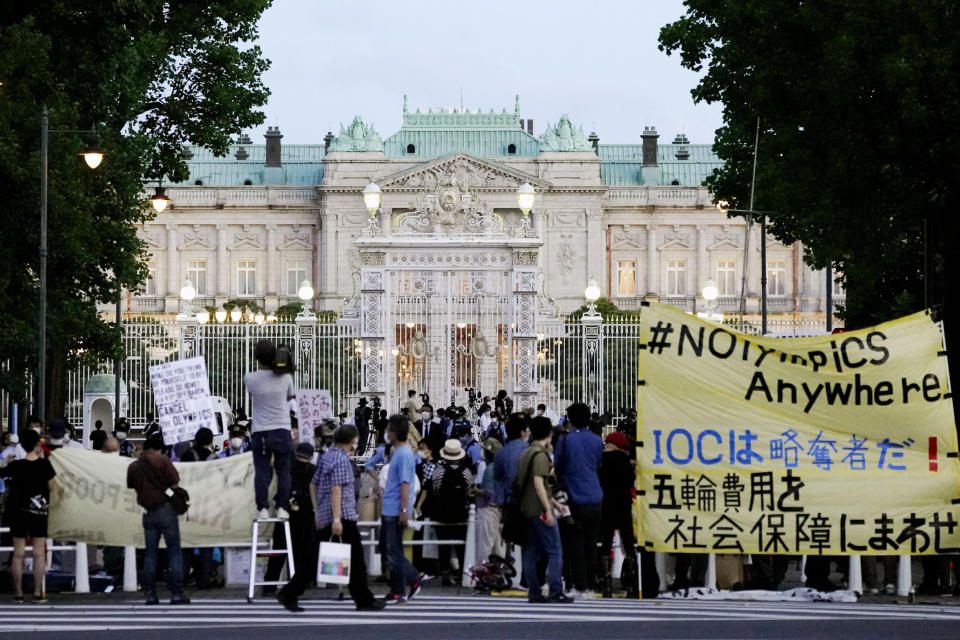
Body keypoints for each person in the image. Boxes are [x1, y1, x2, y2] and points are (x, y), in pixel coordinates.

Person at [279, 427, 385, 611]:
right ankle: (363, 599)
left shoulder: (327, 456)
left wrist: (317, 510)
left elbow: (314, 483)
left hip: (328, 514)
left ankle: (291, 593)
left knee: (316, 558)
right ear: (352, 440)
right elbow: (337, 489)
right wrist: (337, 519)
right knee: (355, 559)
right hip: (342, 515)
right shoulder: (341, 460)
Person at [127, 434, 190, 605]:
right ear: (161, 448)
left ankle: (150, 594)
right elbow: (174, 481)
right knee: (174, 552)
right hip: (167, 511)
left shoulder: (135, 466)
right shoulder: (163, 461)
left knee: (150, 554)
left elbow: (132, 485)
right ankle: (177, 593)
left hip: (148, 512)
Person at [516, 417, 572, 603]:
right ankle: (556, 590)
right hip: (540, 510)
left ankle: (533, 591)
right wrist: (549, 510)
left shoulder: (526, 453)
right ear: (549, 434)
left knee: (531, 551)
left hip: (527, 508)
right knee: (555, 550)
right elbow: (539, 484)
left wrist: (556, 505)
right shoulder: (540, 455)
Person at [553, 402, 603, 597]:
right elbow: (597, 464)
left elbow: (559, 467)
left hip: (574, 496)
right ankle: (591, 584)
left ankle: (579, 585)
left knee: (574, 543)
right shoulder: (597, 440)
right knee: (591, 545)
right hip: (595, 496)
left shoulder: (565, 441)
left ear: (570, 419)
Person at [244, 339, 296, 520]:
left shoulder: (249, 378)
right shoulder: (286, 377)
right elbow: (291, 396)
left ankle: (262, 508)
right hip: (281, 428)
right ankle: (282, 506)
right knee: (284, 471)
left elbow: (252, 392)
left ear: (256, 357)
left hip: (260, 431)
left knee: (262, 471)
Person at [0, 429, 55, 603]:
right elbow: (53, 486)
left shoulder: (17, 466)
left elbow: (0, 473)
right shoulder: (45, 465)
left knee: (18, 554)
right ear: (38, 445)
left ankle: (18, 593)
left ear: (21, 445)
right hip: (39, 511)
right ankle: (38, 592)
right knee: (39, 553)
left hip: (18, 512)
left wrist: (4, 461)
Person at [381, 414, 430, 604]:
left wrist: (403, 510)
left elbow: (405, 484)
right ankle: (398, 589)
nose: (386, 433)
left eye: (387, 430)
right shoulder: (402, 453)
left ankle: (415, 577)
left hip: (394, 509)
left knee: (391, 551)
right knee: (394, 550)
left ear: (393, 433)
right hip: (392, 507)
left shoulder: (403, 454)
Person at [270, 442, 318, 605]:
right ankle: (301, 583)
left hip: (286, 512)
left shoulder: (286, 467)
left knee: (279, 549)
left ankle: (269, 583)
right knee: (304, 551)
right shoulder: (313, 470)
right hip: (306, 514)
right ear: (311, 456)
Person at [598, 432, 642, 598]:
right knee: (628, 544)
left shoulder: (600, 459)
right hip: (623, 504)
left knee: (606, 544)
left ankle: (606, 584)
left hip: (605, 505)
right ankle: (631, 584)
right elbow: (631, 480)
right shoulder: (624, 460)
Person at [427, 439, 475, 586]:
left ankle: (446, 573)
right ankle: (462, 572)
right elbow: (469, 491)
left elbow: (435, 490)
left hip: (443, 514)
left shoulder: (438, 471)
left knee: (444, 545)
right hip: (461, 514)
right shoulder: (466, 472)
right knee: (461, 545)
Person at [178, 427, 216, 589]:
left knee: (186, 544)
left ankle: (183, 578)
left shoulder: (186, 455)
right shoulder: (213, 458)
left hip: (188, 504)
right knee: (206, 545)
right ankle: (204, 580)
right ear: (210, 441)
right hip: (207, 504)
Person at [475, 437, 504, 566]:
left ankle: (483, 572)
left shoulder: (490, 469)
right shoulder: (498, 467)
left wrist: (476, 490)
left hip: (488, 508)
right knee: (496, 544)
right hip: (498, 509)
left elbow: (489, 492)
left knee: (485, 545)